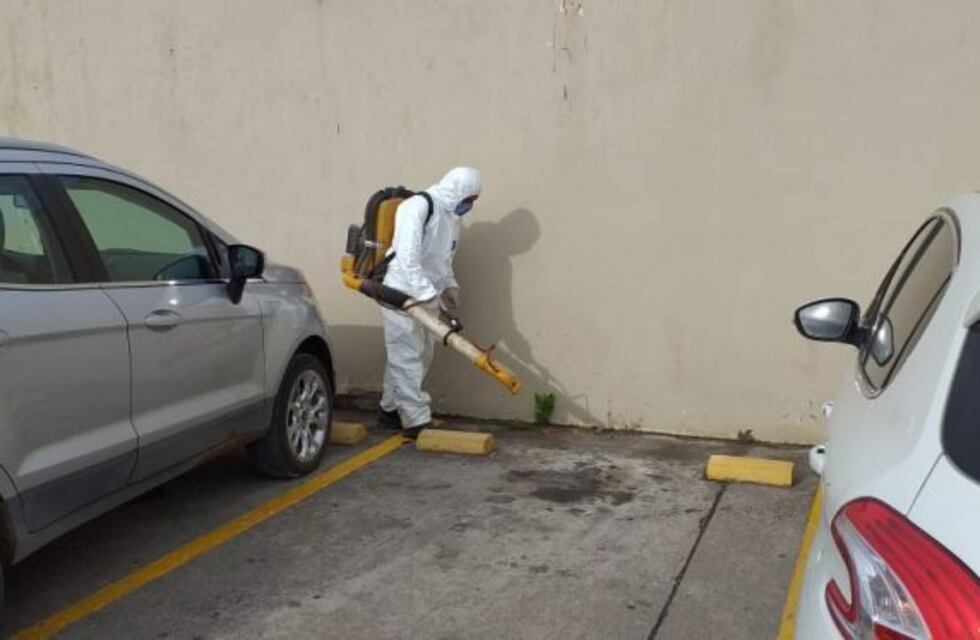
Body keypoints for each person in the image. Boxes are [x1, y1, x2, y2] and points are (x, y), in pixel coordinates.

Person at [378, 167, 482, 438]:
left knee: (420, 355)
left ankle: (389, 409)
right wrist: (427, 295)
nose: (469, 206)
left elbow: (442, 261)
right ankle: (416, 421)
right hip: (400, 292)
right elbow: (406, 260)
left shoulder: (451, 219)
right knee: (406, 356)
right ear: (458, 189)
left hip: (426, 298)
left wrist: (449, 288)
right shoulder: (417, 207)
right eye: (469, 199)